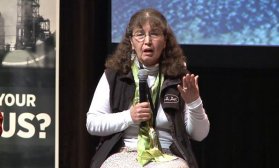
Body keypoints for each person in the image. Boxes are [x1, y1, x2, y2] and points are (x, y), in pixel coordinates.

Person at [86, 8, 209, 168]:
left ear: (165, 41)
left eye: (155, 34)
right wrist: (128, 116)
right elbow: (93, 123)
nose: (147, 41)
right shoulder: (114, 75)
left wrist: (194, 103)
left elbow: (199, 135)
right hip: (126, 151)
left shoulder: (178, 77)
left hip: (167, 154)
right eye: (140, 34)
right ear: (131, 41)